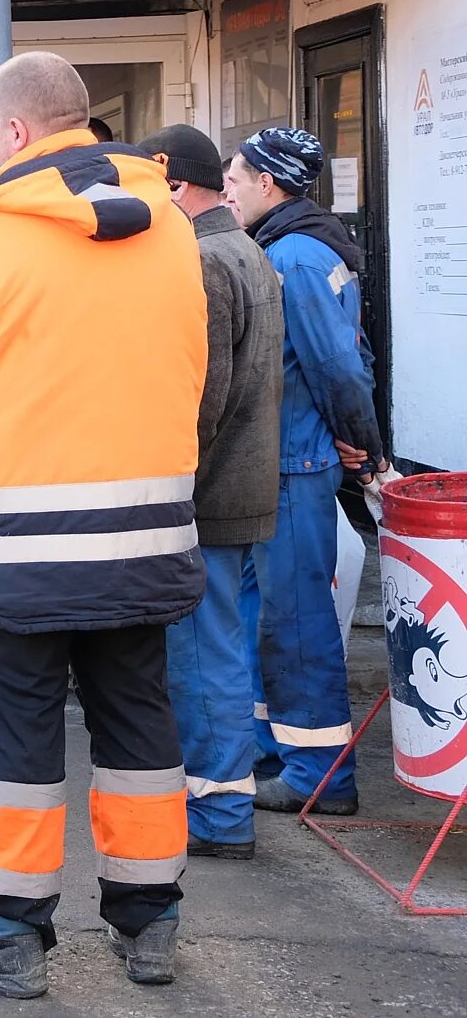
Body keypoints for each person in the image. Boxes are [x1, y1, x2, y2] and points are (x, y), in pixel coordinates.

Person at [0, 52, 205, 997]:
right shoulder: (170, 228)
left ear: (15, 133)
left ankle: (13, 932)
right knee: (138, 721)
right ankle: (150, 922)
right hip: (145, 533)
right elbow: (203, 375)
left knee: (21, 733)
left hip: (18, 544)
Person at [224, 126, 386, 817]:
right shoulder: (297, 245)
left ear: (270, 184)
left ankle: (320, 772)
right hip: (280, 464)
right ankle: (275, 744)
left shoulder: (293, 253)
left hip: (295, 466)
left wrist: (362, 443)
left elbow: (340, 365)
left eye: (235, 177)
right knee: (269, 614)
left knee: (296, 621)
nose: (226, 188)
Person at [139, 125, 283, 859]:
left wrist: (169, 484)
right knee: (223, 646)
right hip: (246, 483)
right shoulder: (248, 250)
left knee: (203, 653)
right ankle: (226, 805)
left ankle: (220, 815)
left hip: (209, 493)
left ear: (174, 186)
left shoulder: (200, 259)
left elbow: (205, 393)